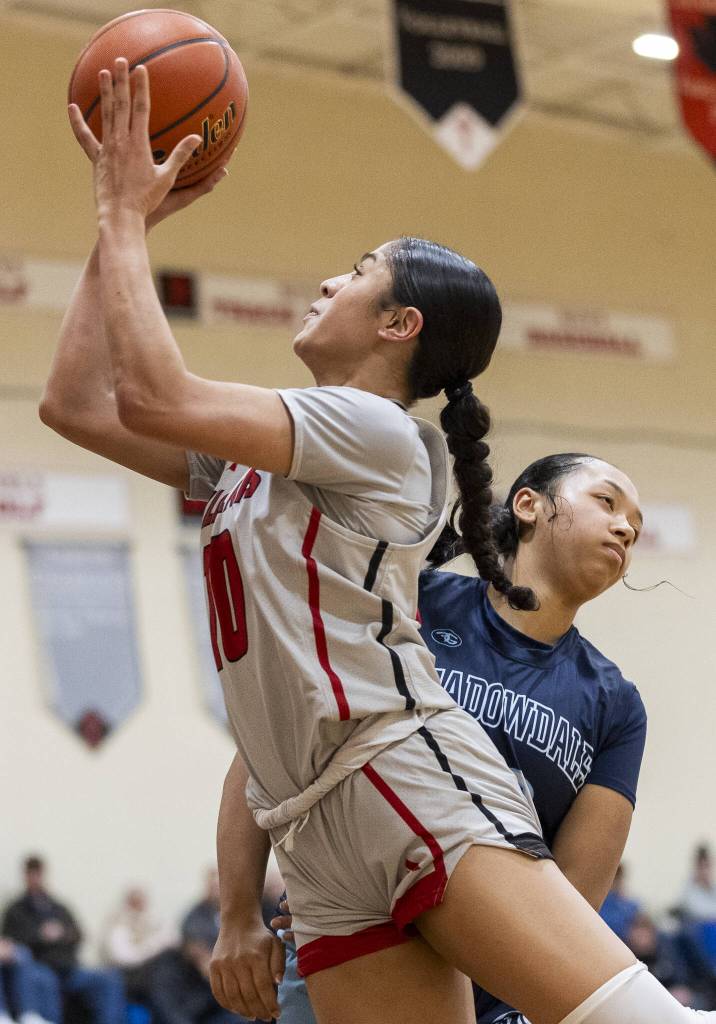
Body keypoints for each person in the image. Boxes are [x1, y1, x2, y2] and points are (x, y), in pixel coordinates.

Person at [42, 58, 713, 1024]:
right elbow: (75, 404)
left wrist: (122, 215)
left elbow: (153, 393)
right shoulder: (262, 457)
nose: (326, 278)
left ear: (399, 324)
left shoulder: (382, 434)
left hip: (400, 774)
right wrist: (126, 232)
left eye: (354, 273)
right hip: (309, 822)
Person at [271, 450, 649, 1024]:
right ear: (529, 505)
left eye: (636, 528)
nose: (625, 527)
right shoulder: (411, 601)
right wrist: (235, 916)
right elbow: (277, 743)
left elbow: (576, 897)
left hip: (494, 989)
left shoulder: (616, 704)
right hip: (357, 947)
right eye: (607, 501)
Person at [1, 856, 125, 1024]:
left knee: (109, 977)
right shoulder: (16, 911)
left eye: (38, 873)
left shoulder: (58, 907)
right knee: (46, 980)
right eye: (31, 873)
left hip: (69, 968)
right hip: (39, 966)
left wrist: (62, 933)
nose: (35, 878)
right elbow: (10, 944)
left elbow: (79, 933)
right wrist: (40, 935)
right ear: (25, 875)